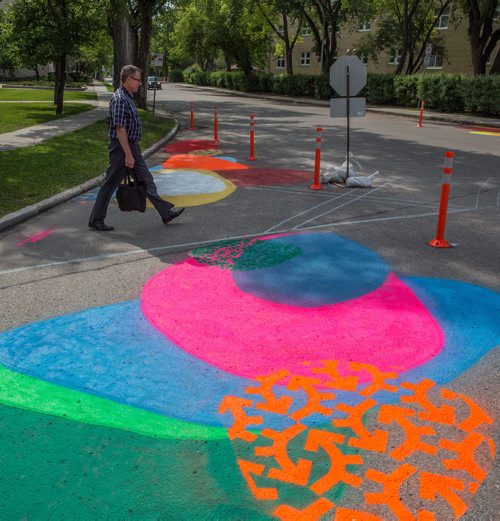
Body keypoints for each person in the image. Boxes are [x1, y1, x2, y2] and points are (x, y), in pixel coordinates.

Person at [89, 64, 184, 231]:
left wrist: (132, 152)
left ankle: (166, 212)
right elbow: (120, 129)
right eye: (138, 80)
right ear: (128, 79)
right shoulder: (119, 99)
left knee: (146, 180)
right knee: (110, 184)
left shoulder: (127, 97)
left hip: (132, 148)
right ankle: (96, 219)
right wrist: (128, 155)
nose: (140, 83)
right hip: (122, 149)